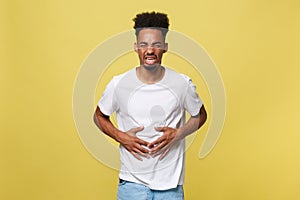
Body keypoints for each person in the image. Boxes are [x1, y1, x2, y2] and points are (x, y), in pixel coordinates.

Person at [94, 11, 207, 200]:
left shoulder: (182, 83)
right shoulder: (118, 84)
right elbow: (98, 115)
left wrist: (179, 133)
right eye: (144, 44)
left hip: (170, 188)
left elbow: (201, 115)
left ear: (165, 47)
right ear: (136, 47)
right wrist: (120, 136)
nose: (149, 50)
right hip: (131, 185)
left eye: (156, 45)